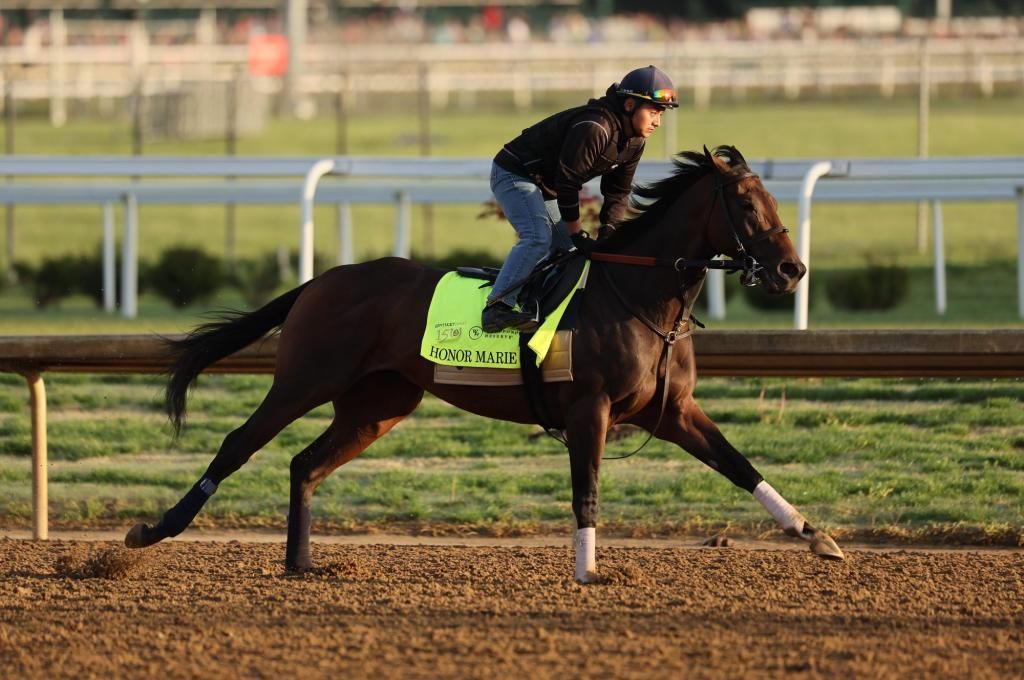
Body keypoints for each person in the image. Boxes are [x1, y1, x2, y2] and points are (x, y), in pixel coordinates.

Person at [481, 65, 679, 333]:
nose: (657, 121)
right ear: (630, 105)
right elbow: (568, 183)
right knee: (538, 236)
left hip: (546, 186)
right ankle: (497, 307)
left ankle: (534, 304)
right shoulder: (595, 128)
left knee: (570, 254)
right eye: (653, 112)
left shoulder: (635, 142)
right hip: (514, 173)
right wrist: (576, 232)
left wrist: (609, 235)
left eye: (660, 114)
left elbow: (618, 192)